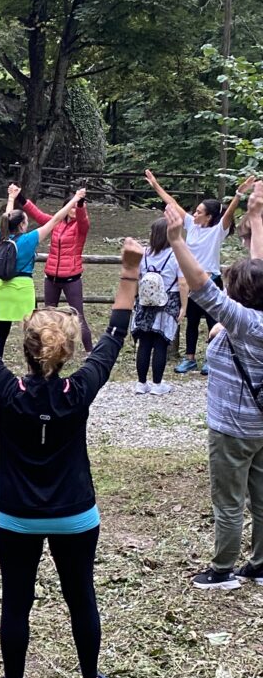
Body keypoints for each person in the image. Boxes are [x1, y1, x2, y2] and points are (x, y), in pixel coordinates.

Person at [0, 232, 139, 678]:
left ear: (24, 349)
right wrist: (128, 271)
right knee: (81, 597)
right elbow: (114, 338)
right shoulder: (78, 390)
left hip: (15, 516)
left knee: (16, 602)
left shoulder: (7, 390)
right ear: (67, 353)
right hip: (75, 514)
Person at [151, 195, 263, 589]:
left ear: (240, 295)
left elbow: (202, 287)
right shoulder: (251, 318)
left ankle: (222, 571)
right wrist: (256, 218)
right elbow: (257, 272)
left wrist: (177, 240)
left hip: (233, 430)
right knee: (262, 499)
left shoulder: (244, 322)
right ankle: (260, 565)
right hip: (261, 428)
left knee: (229, 502)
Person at [144, 170, 256, 375]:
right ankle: (190, 359)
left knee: (214, 321)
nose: (194, 214)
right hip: (192, 282)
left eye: (198, 212)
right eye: (194, 211)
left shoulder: (217, 230)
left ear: (209, 217)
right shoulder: (191, 226)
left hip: (211, 280)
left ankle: (211, 359)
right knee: (192, 322)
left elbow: (229, 213)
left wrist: (239, 193)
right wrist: (155, 184)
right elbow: (172, 203)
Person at [0, 186, 86, 356]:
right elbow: (56, 219)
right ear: (22, 225)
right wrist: (75, 198)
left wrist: (11, 198)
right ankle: (33, 365)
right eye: (26, 221)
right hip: (22, 289)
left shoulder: (2, 236)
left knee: (1, 333)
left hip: (2, 289)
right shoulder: (29, 239)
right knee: (32, 333)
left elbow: (7, 216)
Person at [18, 188, 93, 352]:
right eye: (71, 207)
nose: (74, 210)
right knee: (48, 317)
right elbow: (37, 214)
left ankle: (90, 353)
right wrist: (20, 197)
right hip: (51, 278)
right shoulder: (56, 222)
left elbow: (82, 216)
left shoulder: (81, 226)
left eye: (77, 207)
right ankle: (48, 350)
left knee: (78, 317)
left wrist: (79, 201)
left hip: (71, 279)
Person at [131, 219, 180, 395]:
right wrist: (184, 306)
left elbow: (136, 278)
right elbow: (183, 282)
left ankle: (141, 383)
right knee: (161, 344)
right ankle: (158, 384)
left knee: (144, 343)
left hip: (144, 302)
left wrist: (135, 299)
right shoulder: (175, 255)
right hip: (168, 300)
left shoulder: (143, 254)